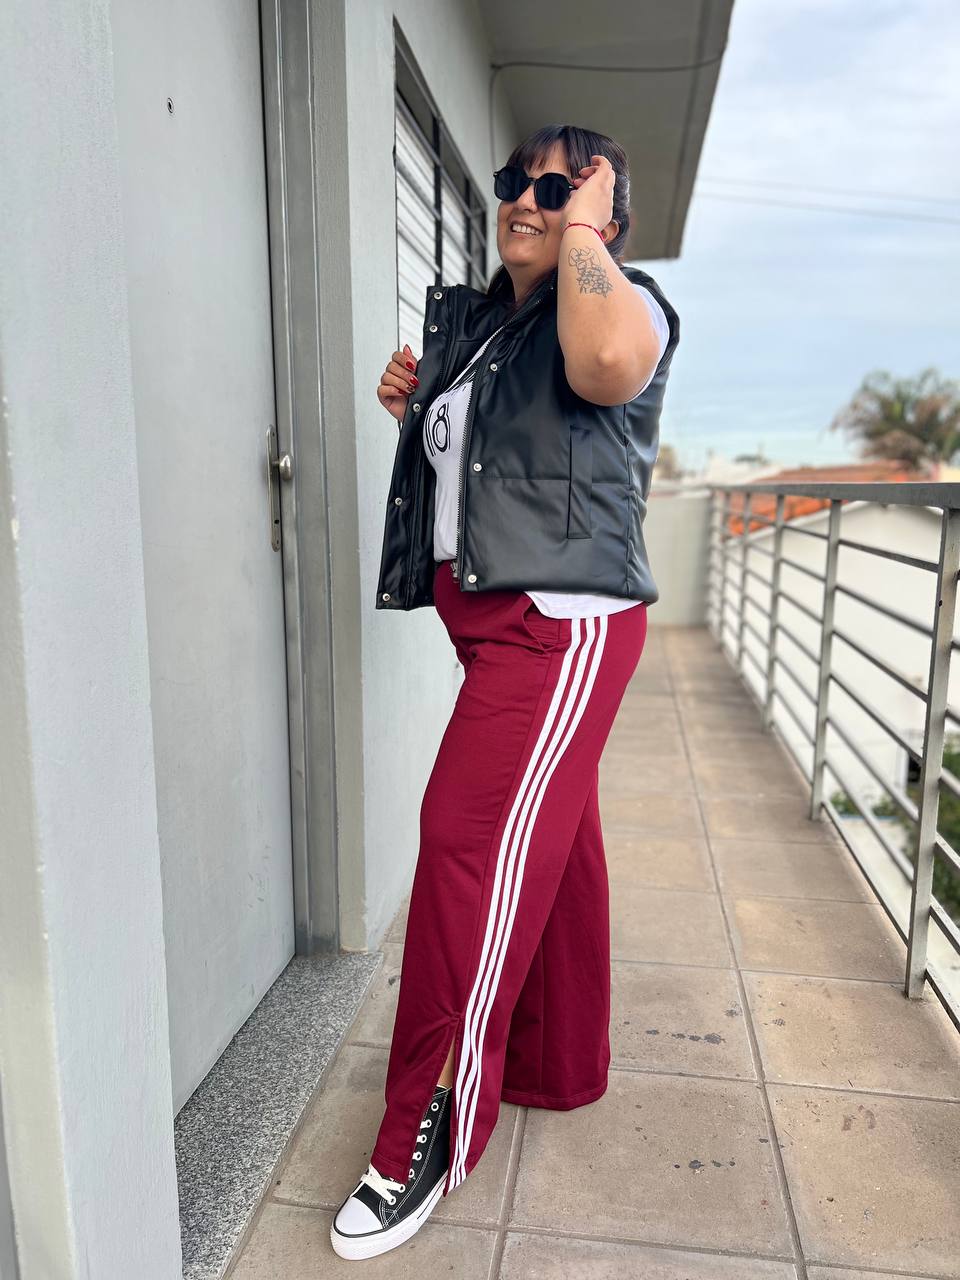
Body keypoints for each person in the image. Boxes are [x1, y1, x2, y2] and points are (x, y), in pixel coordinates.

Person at [331, 123, 679, 1261]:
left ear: (604, 215)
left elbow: (606, 369)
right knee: (553, 838)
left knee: (465, 848)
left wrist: (586, 228)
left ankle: (423, 1131)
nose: (528, 199)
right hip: (494, 631)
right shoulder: (488, 330)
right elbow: (496, 474)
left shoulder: (621, 302)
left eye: (558, 186)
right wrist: (419, 416)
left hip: (556, 630)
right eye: (516, 182)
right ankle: (553, 1063)